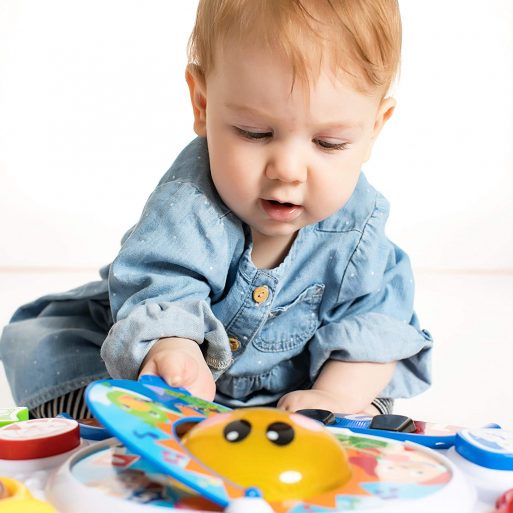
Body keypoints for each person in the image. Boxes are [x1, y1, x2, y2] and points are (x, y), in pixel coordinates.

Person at [0, 0, 433, 419]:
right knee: (53, 350)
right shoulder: (189, 203)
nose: (287, 169)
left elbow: (377, 323)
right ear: (202, 104)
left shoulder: (360, 230)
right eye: (255, 132)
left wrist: (332, 396)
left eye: (328, 143)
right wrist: (175, 350)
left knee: (369, 392)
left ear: (375, 127)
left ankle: (324, 423)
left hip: (291, 392)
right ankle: (112, 415)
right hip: (178, 378)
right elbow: (161, 287)